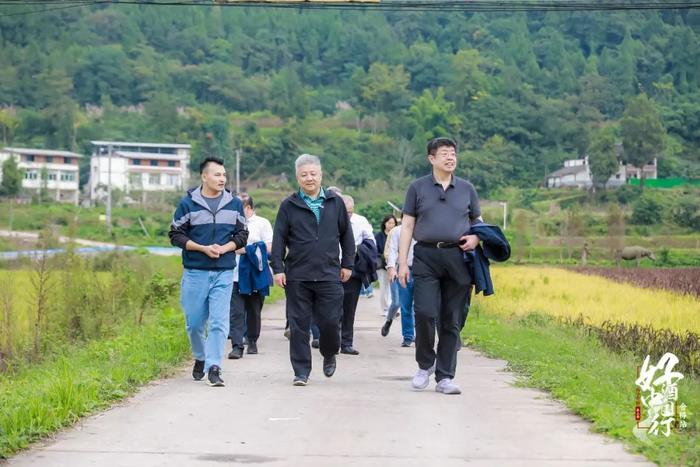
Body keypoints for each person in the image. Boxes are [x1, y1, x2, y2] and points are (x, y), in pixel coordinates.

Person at [398, 137, 482, 395]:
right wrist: (402, 262)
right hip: (426, 256)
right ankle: (425, 365)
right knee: (424, 312)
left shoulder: (467, 189)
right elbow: (408, 225)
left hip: (458, 258)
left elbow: (478, 222)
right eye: (444, 153)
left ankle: (445, 376)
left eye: (453, 153)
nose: (450, 158)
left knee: (451, 319)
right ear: (431, 158)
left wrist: (476, 237)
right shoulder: (417, 188)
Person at [271, 154, 355, 386]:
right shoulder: (289, 205)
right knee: (298, 326)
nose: (309, 178)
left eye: (313, 174)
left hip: (329, 273)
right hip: (298, 274)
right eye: (304, 175)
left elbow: (347, 236)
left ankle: (329, 352)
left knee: (330, 321)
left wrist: (348, 263)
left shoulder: (334, 202)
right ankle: (301, 371)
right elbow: (278, 238)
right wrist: (277, 268)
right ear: (297, 178)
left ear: (321, 175)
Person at [168, 157, 248, 387]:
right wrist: (201, 248)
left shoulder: (234, 204)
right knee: (194, 323)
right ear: (204, 177)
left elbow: (242, 234)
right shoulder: (188, 204)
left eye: (224, 175)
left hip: (223, 271)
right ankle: (200, 356)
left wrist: (225, 248)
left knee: (219, 322)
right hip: (195, 271)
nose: (222, 179)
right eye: (217, 175)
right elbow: (176, 235)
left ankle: (214, 366)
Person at [228, 194, 273, 359]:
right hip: (234, 273)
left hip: (255, 274)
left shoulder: (262, 223)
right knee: (236, 311)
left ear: (248, 208)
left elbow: (269, 248)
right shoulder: (230, 223)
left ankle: (252, 340)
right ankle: (237, 346)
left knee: (254, 310)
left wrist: (247, 250)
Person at [339, 194, 377, 355]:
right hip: (330, 268)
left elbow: (371, 243)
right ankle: (330, 340)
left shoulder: (361, 222)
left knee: (349, 308)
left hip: (353, 270)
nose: (347, 216)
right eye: (344, 212)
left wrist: (357, 250)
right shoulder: (328, 220)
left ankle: (346, 342)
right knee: (330, 307)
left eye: (349, 212)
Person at [382, 222, 416, 347]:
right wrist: (391, 267)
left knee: (420, 306)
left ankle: (418, 335)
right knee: (404, 304)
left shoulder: (425, 228)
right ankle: (407, 336)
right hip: (403, 269)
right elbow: (392, 250)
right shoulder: (397, 231)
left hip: (423, 270)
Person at [375, 215, 397, 315]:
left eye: (393, 223)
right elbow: (375, 251)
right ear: (385, 223)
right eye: (389, 223)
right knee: (384, 287)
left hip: (394, 265)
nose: (391, 225)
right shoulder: (379, 236)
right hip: (382, 265)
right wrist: (385, 257)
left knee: (393, 287)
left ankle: (393, 307)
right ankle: (385, 308)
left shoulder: (396, 234)